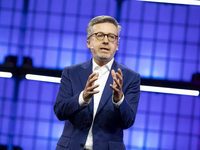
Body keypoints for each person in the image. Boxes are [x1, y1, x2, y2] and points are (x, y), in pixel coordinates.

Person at [54, 15, 140, 150]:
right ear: (89, 43)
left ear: (117, 45)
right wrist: (83, 97)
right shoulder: (71, 72)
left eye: (111, 37)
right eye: (100, 35)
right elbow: (60, 111)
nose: (106, 41)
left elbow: (128, 122)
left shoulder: (130, 77)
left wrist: (119, 100)